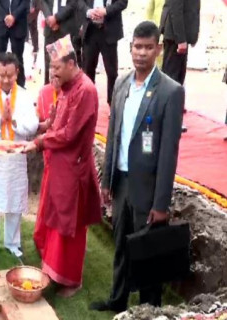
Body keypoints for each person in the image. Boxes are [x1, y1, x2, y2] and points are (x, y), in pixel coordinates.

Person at [90, 21, 184, 313]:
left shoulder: (170, 91)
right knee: (121, 245)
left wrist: (161, 203)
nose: (141, 53)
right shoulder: (120, 84)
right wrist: (107, 181)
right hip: (121, 183)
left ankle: (149, 309)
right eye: (136, 47)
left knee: (148, 253)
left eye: (147, 47)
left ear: (158, 49)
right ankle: (117, 300)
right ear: (129, 48)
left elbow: (169, 152)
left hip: (149, 187)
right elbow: (113, 134)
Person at [23, 34, 101, 298]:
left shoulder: (86, 90)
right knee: (56, 219)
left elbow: (68, 134)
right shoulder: (67, 87)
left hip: (74, 169)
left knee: (71, 225)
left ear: (71, 63)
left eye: (56, 68)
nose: (52, 73)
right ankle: (53, 268)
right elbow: (56, 123)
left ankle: (71, 280)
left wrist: (39, 141)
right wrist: (42, 129)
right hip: (59, 166)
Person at [0, 52, 38, 259]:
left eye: (9, 75)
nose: (5, 79)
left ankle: (13, 242)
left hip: (14, 158)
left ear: (17, 73)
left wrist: (12, 121)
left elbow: (32, 126)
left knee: (14, 200)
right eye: (1, 75)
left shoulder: (25, 95)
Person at [80, 0, 127, 106]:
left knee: (111, 72)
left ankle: (113, 103)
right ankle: (88, 103)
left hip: (109, 31)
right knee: (87, 70)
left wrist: (106, 11)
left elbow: (123, 2)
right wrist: (88, 11)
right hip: (90, 30)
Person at [159, 0, 200, 86]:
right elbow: (175, 10)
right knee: (170, 80)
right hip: (175, 38)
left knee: (178, 80)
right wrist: (180, 39)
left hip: (180, 37)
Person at [42, 0, 78, 85]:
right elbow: (43, 2)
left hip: (65, 29)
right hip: (50, 30)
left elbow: (72, 4)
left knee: (65, 63)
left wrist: (56, 18)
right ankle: (49, 91)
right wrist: (49, 18)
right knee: (49, 64)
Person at [0, 0, 29, 88]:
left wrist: (14, 16)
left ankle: (20, 84)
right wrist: (5, 17)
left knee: (18, 57)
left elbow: (25, 3)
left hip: (19, 23)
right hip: (1, 23)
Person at [145, 0, 165, 67]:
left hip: (170, 29)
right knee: (157, 53)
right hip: (157, 27)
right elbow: (150, 9)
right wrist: (148, 26)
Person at [27, 0, 43, 70]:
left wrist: (32, 5)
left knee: (32, 27)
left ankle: (35, 49)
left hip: (34, 5)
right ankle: (31, 48)